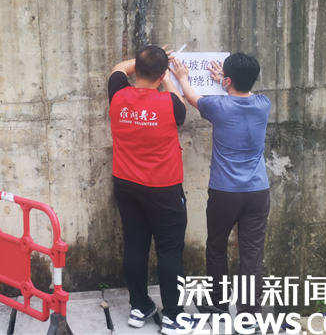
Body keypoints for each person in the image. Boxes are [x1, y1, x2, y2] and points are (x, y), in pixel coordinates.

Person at [170, 53, 271, 332]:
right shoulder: (264, 104)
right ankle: (249, 316)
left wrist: (182, 77)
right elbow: (240, 96)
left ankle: (218, 301)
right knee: (252, 252)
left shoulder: (218, 106)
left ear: (228, 80)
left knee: (216, 246)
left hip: (225, 192)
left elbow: (192, 97)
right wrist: (225, 82)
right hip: (258, 191)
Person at [108, 45, 197, 335]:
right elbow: (180, 104)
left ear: (137, 69)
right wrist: (167, 75)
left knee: (135, 245)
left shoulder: (118, 95)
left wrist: (149, 62)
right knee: (170, 251)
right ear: (160, 76)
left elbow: (119, 69)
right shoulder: (170, 104)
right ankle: (172, 317)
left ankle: (139, 307)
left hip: (126, 184)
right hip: (163, 188)